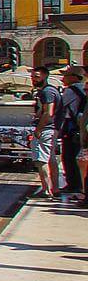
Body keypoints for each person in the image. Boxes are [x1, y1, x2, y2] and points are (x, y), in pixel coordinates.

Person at [30, 65, 59, 198]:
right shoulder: (50, 90)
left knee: (42, 160)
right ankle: (55, 188)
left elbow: (49, 112)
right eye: (32, 77)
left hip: (46, 130)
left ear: (45, 76)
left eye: (36, 76)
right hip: (51, 129)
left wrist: (38, 129)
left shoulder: (47, 92)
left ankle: (46, 190)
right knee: (51, 159)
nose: (33, 79)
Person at [61, 66, 88, 205]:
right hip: (80, 129)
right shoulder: (83, 88)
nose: (63, 78)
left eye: (66, 75)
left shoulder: (71, 90)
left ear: (75, 77)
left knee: (69, 157)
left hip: (72, 129)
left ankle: (73, 185)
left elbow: (61, 106)